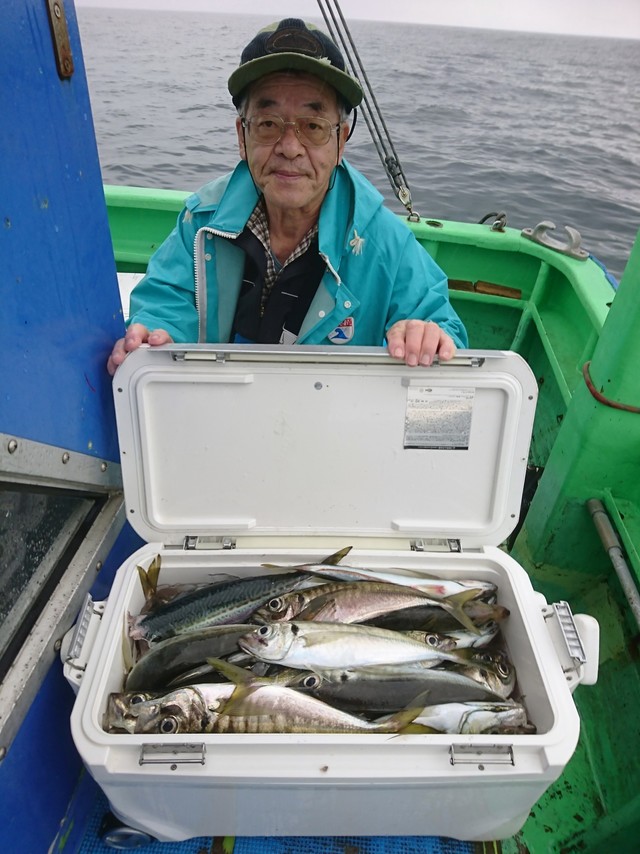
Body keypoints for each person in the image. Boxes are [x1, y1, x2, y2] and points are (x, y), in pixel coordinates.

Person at [107, 17, 467, 376]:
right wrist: (159, 337)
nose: (290, 147)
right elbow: (166, 303)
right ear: (241, 136)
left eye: (312, 127)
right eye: (268, 124)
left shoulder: (388, 244)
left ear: (341, 140)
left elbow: (445, 334)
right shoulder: (201, 223)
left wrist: (424, 337)